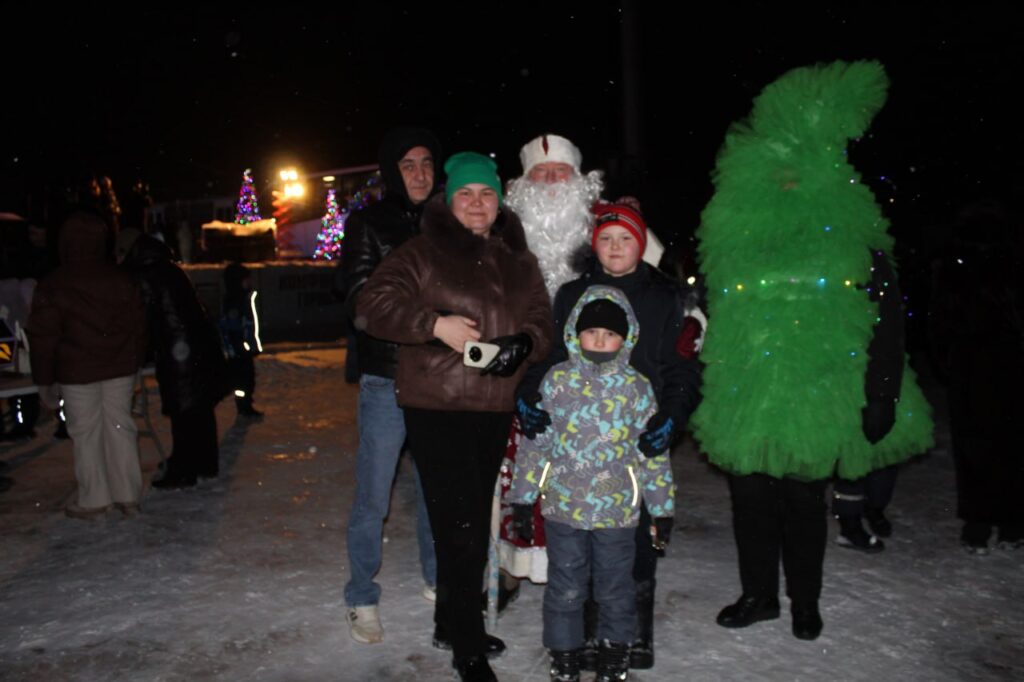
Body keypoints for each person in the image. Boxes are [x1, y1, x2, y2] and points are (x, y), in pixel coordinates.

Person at [690, 60, 933, 642]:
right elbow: (718, 311)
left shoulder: (849, 232)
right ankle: (759, 595)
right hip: (750, 389)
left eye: (799, 167)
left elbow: (886, 320)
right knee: (750, 497)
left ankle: (804, 600)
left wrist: (881, 392)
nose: (788, 179)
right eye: (778, 167)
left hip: (816, 390)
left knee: (803, 498)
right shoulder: (739, 234)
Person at [358, 151, 552, 682]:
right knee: (459, 525)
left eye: (487, 194)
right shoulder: (422, 252)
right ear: (449, 200)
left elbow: (541, 316)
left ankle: (450, 619)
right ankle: (467, 643)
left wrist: (525, 342)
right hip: (437, 405)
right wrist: (434, 325)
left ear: (499, 202)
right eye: (466, 193)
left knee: (470, 520)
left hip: (494, 406)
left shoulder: (519, 260)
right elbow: (372, 303)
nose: (477, 203)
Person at [516, 203, 700, 670]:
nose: (615, 248)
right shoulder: (571, 293)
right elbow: (551, 354)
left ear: (642, 244)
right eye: (606, 239)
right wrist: (529, 394)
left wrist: (671, 417)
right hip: (578, 433)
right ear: (593, 245)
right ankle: (582, 636)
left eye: (626, 238)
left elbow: (682, 366)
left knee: (632, 547)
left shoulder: (666, 296)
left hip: (634, 431)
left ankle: (632, 637)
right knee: (576, 555)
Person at [509, 286, 675, 682]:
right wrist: (523, 497)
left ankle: (614, 658)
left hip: (616, 512)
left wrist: (662, 508)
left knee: (615, 589)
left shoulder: (637, 388)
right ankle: (564, 657)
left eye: (610, 333)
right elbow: (536, 445)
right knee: (565, 588)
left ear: (626, 338)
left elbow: (652, 454)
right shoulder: (556, 381)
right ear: (574, 334)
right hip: (563, 509)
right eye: (591, 332)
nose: (600, 340)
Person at [340, 127, 442, 645]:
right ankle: (361, 595)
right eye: (408, 164)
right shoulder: (369, 222)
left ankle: (437, 577)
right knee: (374, 493)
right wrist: (429, 320)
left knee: (435, 488)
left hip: (441, 376)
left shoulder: (449, 219)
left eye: (426, 163)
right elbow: (360, 297)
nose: (419, 174)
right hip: (388, 375)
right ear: (392, 172)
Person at [27, 211, 147, 519]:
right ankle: (127, 495)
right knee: (120, 426)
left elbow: (44, 337)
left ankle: (95, 499)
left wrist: (44, 379)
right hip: (119, 367)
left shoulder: (55, 283)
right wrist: (135, 360)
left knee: (86, 432)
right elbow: (138, 325)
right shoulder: (121, 278)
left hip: (77, 371)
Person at [117, 229, 229, 489]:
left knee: (184, 411)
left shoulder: (145, 274)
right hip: (195, 349)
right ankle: (203, 463)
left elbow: (144, 320)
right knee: (198, 408)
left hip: (178, 352)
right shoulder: (167, 268)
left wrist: (141, 352)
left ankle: (184, 469)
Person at [220, 262, 263, 419]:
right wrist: (242, 346)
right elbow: (234, 327)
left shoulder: (243, 298)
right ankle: (243, 406)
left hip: (242, 348)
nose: (249, 282)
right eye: (246, 279)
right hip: (239, 349)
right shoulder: (235, 300)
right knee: (242, 378)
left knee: (246, 377)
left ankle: (245, 405)